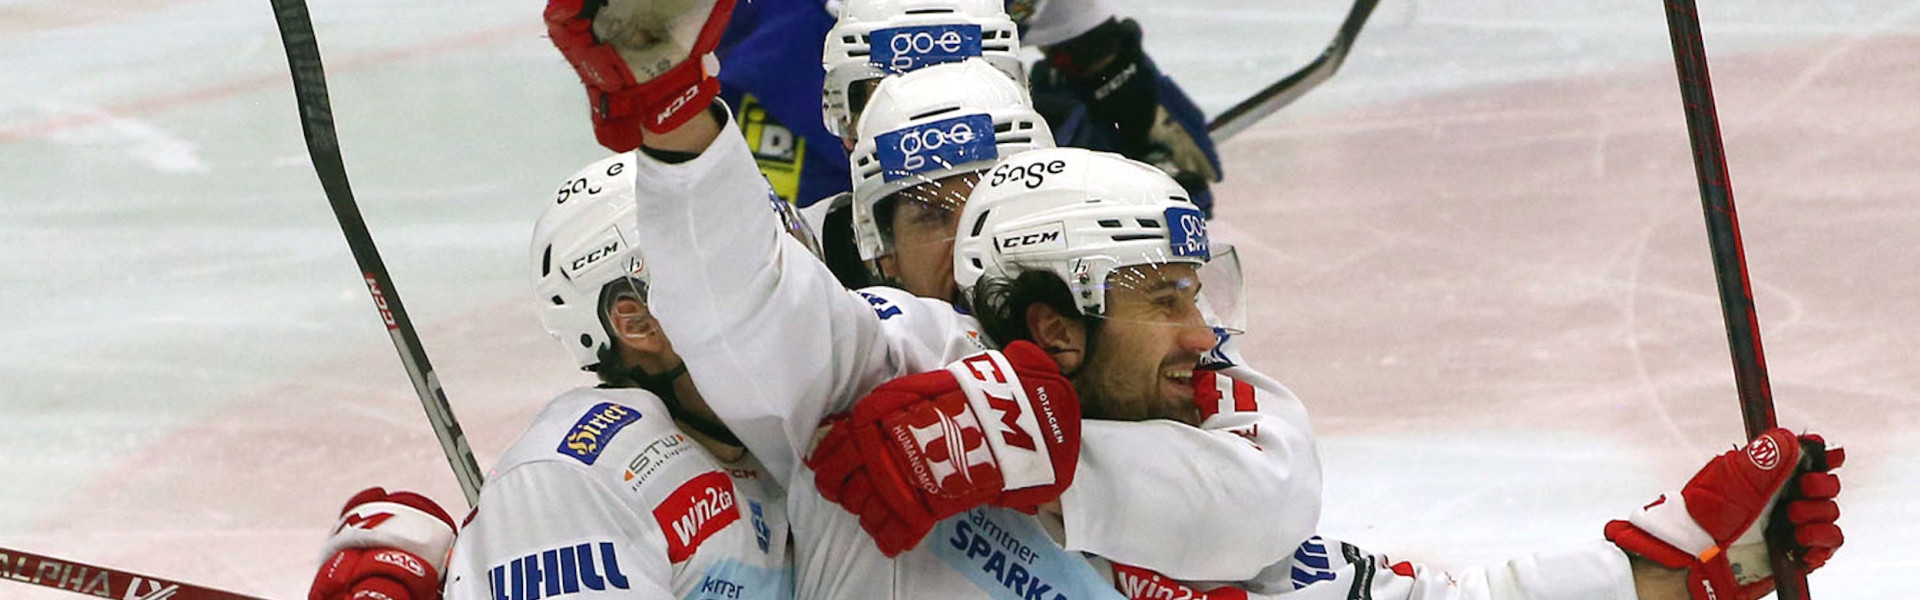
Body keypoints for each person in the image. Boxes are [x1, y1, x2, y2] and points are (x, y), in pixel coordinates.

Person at [308, 159, 798, 600]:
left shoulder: (764, 432)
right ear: (637, 322)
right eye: (734, 271)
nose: (788, 296)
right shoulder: (577, 480)